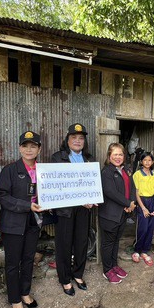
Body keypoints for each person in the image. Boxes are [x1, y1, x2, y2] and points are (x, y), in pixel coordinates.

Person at [0, 131, 44, 308]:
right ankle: (15, 299)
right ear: (19, 148)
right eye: (25, 146)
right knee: (13, 262)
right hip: (13, 223)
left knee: (28, 258)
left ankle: (25, 292)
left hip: (33, 221)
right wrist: (27, 205)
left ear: (39, 149)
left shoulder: (44, 170)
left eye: (33, 146)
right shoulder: (10, 170)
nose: (29, 150)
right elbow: (3, 197)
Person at [50, 123, 94, 296]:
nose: (77, 141)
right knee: (64, 244)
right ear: (67, 140)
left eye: (81, 138)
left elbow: (92, 183)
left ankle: (78, 273)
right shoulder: (57, 158)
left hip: (84, 209)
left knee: (81, 242)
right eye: (74, 137)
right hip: (65, 209)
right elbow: (55, 185)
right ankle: (65, 278)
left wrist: (92, 198)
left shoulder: (89, 159)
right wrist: (79, 198)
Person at [99, 143, 136, 284]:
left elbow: (132, 187)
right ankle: (107, 270)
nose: (118, 157)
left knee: (116, 241)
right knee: (108, 243)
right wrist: (128, 203)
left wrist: (132, 202)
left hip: (122, 213)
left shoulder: (126, 170)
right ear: (109, 156)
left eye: (120, 154)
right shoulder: (106, 172)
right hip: (110, 214)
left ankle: (114, 265)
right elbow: (111, 192)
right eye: (115, 154)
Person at [132, 151, 154, 266]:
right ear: (141, 161)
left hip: (152, 201)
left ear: (152, 162)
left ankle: (144, 251)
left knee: (150, 228)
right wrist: (143, 208)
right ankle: (137, 250)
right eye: (145, 160)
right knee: (142, 228)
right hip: (142, 201)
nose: (147, 162)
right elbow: (136, 193)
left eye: (149, 160)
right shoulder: (137, 174)